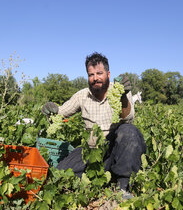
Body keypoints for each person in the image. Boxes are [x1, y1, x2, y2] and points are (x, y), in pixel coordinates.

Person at [42, 52, 147, 200]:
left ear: (108, 74)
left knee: (129, 131)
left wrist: (123, 97)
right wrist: (51, 110)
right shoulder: (82, 95)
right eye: (91, 75)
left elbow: (128, 117)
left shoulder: (120, 90)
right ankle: (106, 174)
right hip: (93, 150)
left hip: (116, 147)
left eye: (99, 73)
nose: (95, 78)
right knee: (62, 172)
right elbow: (61, 112)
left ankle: (123, 186)